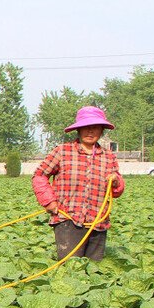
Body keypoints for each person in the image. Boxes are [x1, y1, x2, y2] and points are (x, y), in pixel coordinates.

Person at [32, 106, 125, 261]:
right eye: (85, 128)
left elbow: (116, 191)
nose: (90, 132)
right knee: (71, 269)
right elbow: (39, 175)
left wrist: (116, 182)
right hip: (68, 220)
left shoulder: (109, 157)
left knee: (94, 271)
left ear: (101, 130)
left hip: (98, 222)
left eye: (94, 128)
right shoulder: (62, 151)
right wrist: (49, 201)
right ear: (79, 130)